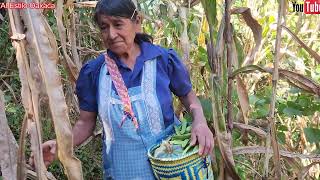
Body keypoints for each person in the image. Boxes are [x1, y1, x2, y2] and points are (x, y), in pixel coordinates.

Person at [31, 0, 214, 179]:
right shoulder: (95, 72)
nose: (111, 34)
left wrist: (199, 121)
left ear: (137, 22)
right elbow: (85, 123)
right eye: (104, 27)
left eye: (118, 24)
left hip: (170, 170)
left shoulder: (162, 60)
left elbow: (188, 96)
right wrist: (60, 146)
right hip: (123, 172)